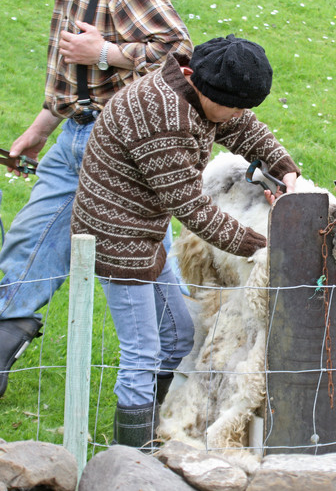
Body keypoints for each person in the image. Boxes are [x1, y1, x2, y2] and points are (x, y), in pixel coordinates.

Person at [0, 0, 194, 409]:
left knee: (138, 260)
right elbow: (77, 82)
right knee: (32, 238)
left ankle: (166, 377)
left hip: (117, 141)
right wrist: (40, 130)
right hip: (76, 135)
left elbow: (180, 53)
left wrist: (104, 53)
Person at [70, 34, 300, 449]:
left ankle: (161, 432)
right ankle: (131, 456)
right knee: (141, 353)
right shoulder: (163, 117)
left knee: (176, 336)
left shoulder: (198, 91)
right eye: (235, 104)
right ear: (202, 84)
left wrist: (284, 170)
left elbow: (242, 126)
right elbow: (192, 208)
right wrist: (265, 244)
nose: (240, 113)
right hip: (117, 240)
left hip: (146, 231)